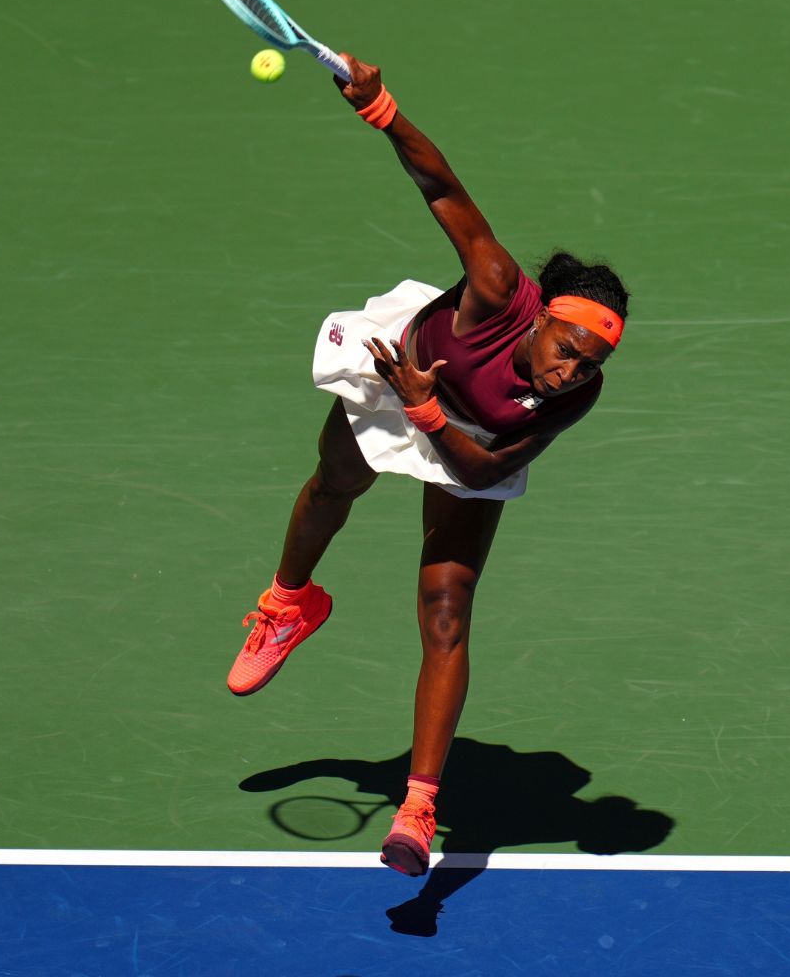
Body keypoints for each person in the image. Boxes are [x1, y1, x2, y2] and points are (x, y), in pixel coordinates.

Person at [225, 53, 631, 877]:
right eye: (566, 349)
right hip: (399, 370)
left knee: (447, 609)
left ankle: (418, 807)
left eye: (589, 365)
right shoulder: (492, 283)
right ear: (543, 316)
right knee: (333, 484)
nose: (570, 371)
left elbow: (481, 472)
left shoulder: (571, 399)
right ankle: (289, 603)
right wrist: (379, 107)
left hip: (456, 430)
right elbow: (441, 187)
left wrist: (428, 411)